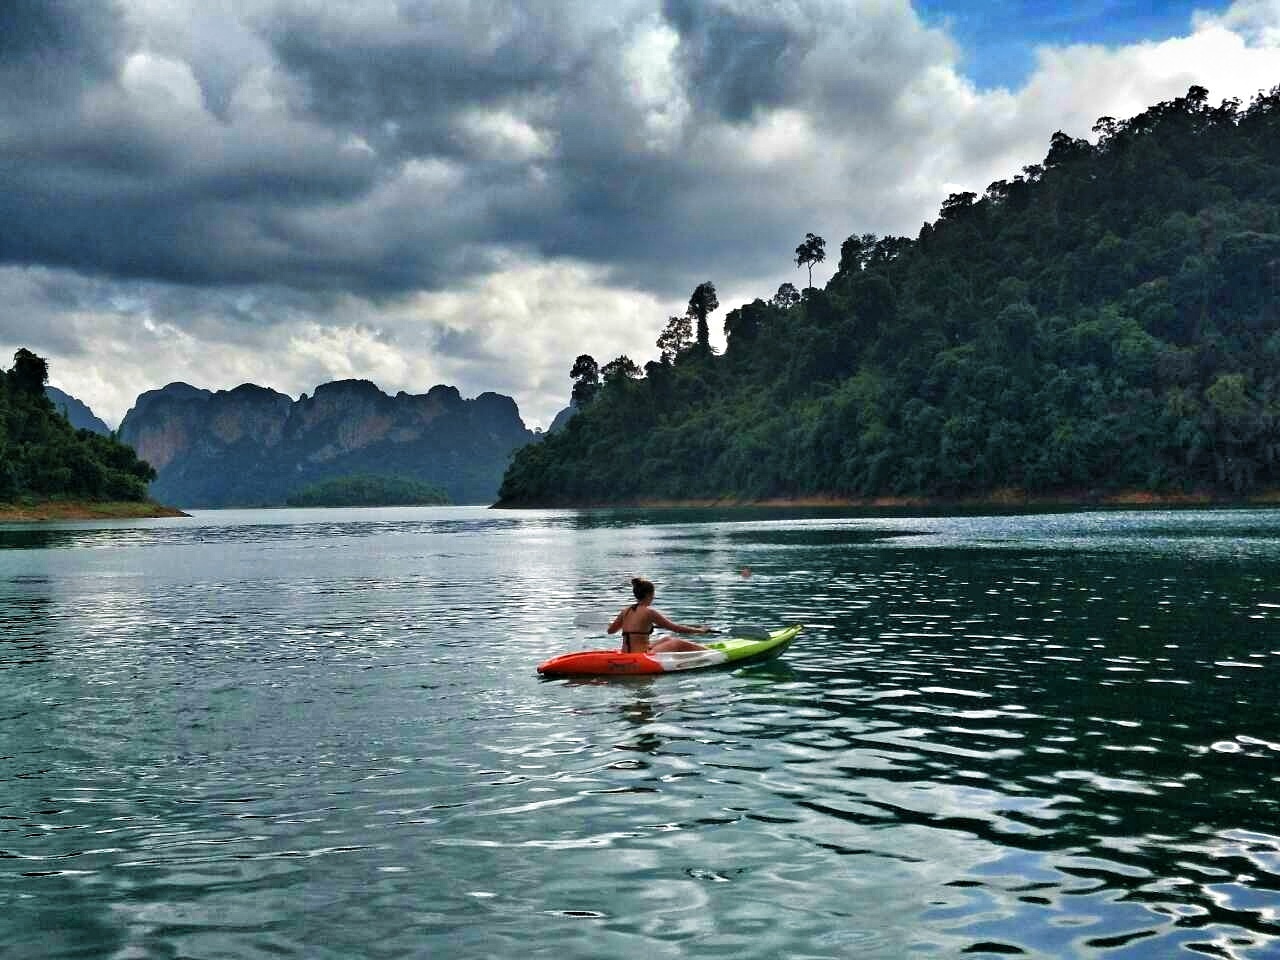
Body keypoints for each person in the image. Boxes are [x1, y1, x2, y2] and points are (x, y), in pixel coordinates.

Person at [608, 576, 710, 653]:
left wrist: (616, 624)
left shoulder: (625, 611)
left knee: (667, 639)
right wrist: (700, 631)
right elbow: (676, 628)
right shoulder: (649, 612)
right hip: (641, 654)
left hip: (626, 652)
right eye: (653, 594)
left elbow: (611, 631)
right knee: (677, 643)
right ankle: (710, 652)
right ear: (649, 594)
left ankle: (705, 650)